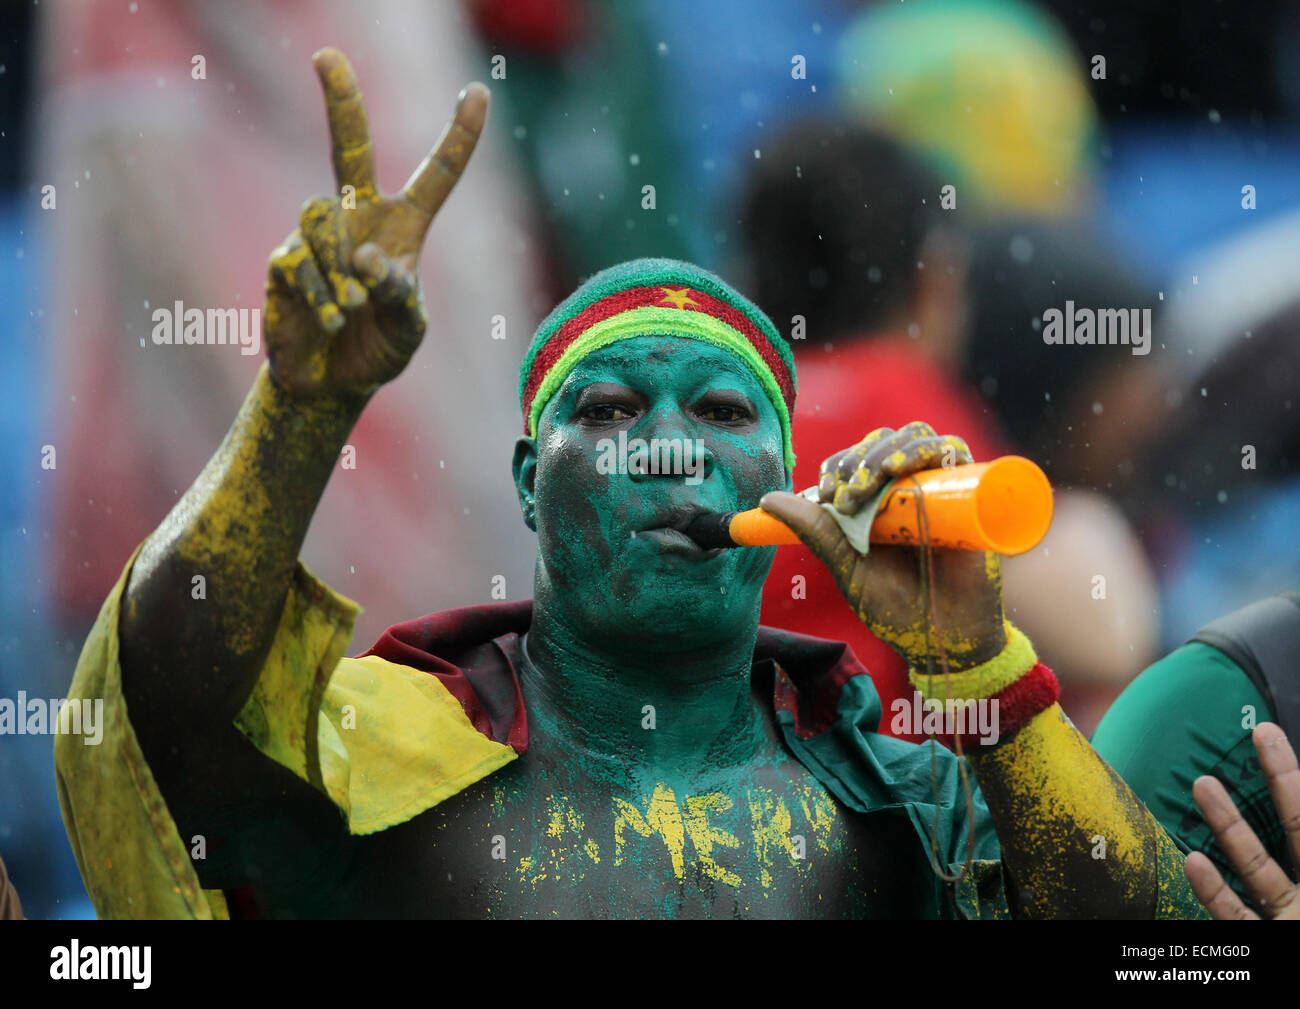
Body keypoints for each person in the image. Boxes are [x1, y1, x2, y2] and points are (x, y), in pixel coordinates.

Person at [56, 48, 1204, 920]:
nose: (664, 445)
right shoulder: (392, 747)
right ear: (525, 482)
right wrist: (302, 413)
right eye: (605, 413)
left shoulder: (894, 793)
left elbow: (1156, 944)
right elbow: (158, 722)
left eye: (718, 412)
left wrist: (979, 663)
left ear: (787, 483)